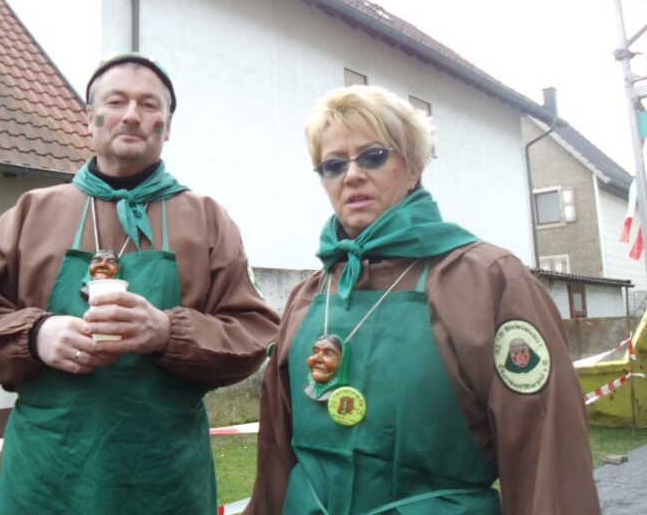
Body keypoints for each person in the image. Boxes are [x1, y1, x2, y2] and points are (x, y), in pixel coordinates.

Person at [0, 53, 280, 514]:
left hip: (163, 480)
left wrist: (166, 332)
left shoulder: (206, 220)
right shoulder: (32, 214)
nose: (132, 115)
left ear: (168, 125)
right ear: (90, 118)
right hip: (47, 478)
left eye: (149, 105)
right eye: (116, 101)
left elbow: (254, 333)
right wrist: (36, 336)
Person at [245, 85, 600, 515]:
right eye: (334, 165)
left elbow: (546, 454)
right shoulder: (307, 298)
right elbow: (276, 462)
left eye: (373, 156)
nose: (352, 175)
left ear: (413, 167)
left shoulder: (490, 281)